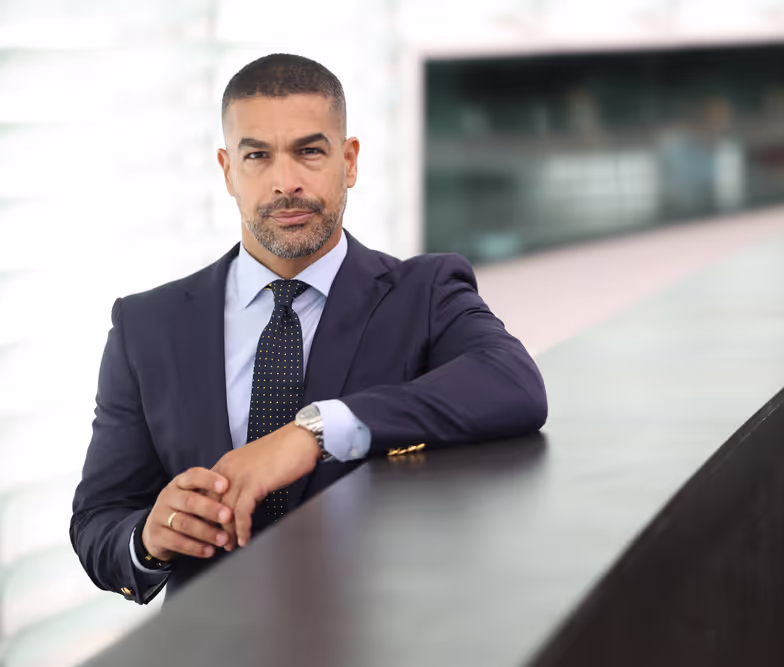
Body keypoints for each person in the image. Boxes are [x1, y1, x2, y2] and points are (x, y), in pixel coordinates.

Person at [70, 53, 548, 605]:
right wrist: (149, 540)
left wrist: (312, 433)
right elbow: (99, 520)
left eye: (309, 151)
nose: (286, 182)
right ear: (227, 171)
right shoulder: (146, 325)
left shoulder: (425, 291)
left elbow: (514, 383)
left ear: (349, 161)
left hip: (382, 635)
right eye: (257, 156)